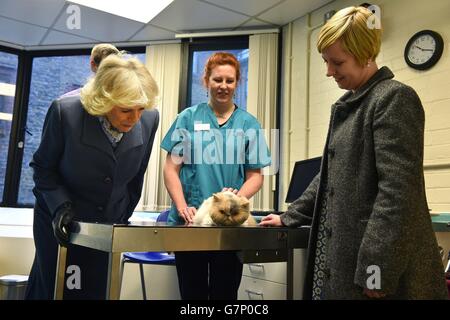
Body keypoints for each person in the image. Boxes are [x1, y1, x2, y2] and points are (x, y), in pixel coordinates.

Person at [260, 6, 448, 300]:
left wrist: (376, 271)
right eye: (325, 61)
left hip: (375, 271)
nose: (328, 71)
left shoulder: (393, 98)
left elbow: (398, 193)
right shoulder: (351, 104)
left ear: (366, 54)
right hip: (344, 262)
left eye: (337, 62)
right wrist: (289, 216)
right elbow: (328, 176)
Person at [25, 55, 159, 299]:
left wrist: (121, 215)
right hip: (59, 218)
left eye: (141, 108)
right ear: (105, 99)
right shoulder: (65, 112)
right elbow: (43, 168)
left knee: (95, 288)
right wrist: (61, 206)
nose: (135, 117)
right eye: (126, 109)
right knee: (56, 288)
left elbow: (136, 175)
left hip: (106, 224)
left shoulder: (150, 118)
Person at [161, 52, 271, 300]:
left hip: (230, 227)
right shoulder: (188, 118)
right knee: (193, 295)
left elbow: (256, 175)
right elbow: (171, 169)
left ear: (237, 82)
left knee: (225, 294)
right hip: (191, 225)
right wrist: (181, 207)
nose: (223, 86)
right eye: (217, 79)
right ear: (206, 81)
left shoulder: (248, 124)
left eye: (229, 81)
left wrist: (233, 203)